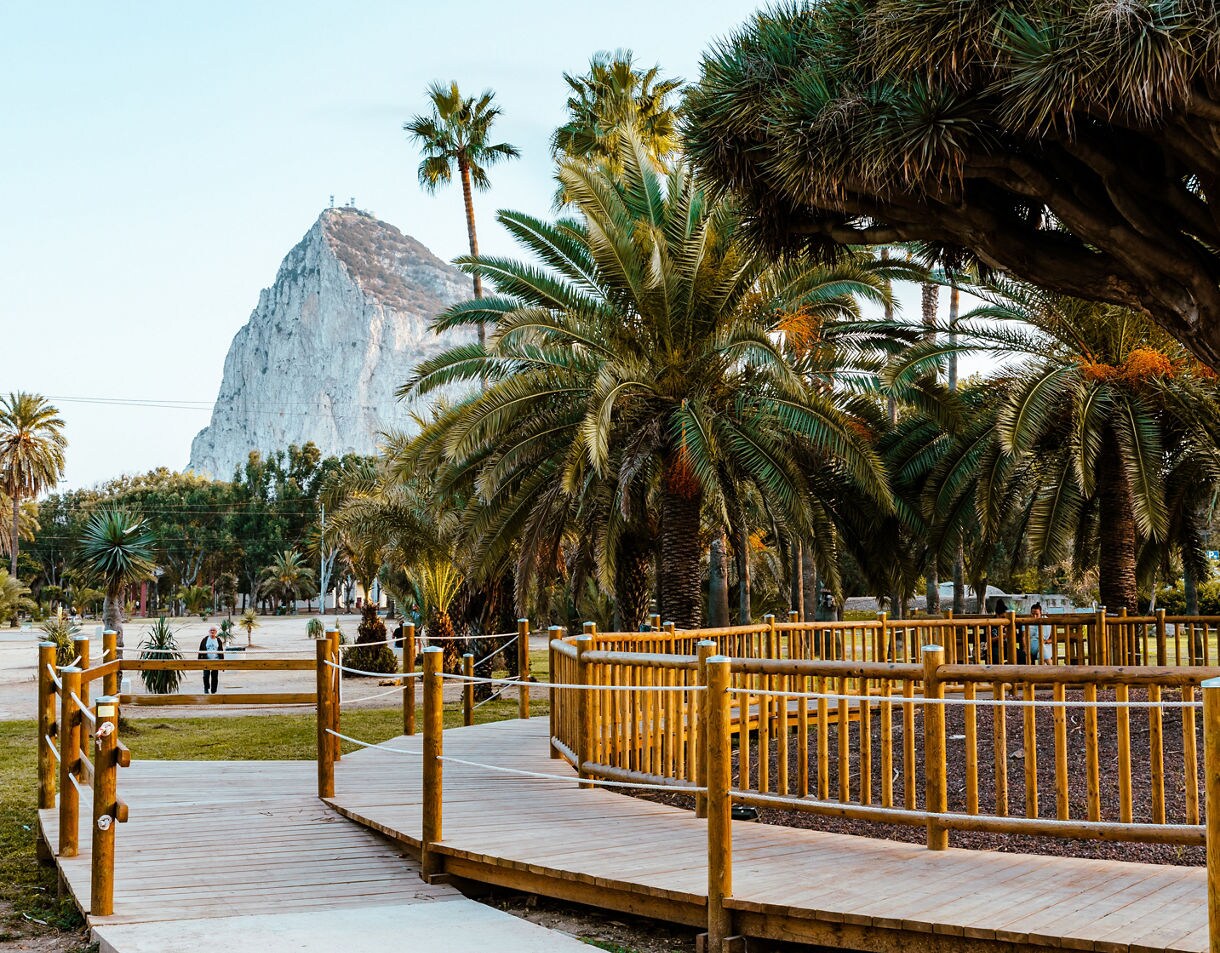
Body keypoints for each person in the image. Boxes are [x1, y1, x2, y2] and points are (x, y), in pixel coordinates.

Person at [198, 626, 223, 694]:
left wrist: (222, 663)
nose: (212, 632)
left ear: (216, 632)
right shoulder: (205, 640)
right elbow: (200, 650)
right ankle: (206, 688)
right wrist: (199, 661)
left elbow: (221, 651)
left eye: (214, 630)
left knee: (214, 676)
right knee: (206, 675)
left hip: (216, 660)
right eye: (211, 630)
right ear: (209, 632)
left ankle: (213, 691)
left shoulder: (218, 640)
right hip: (206, 660)